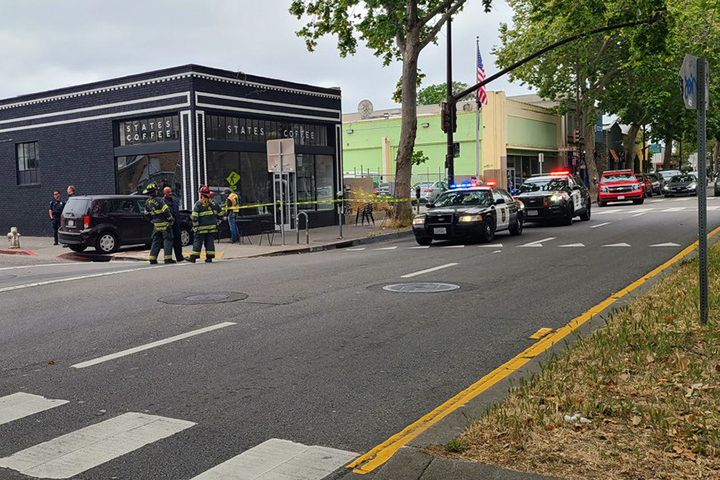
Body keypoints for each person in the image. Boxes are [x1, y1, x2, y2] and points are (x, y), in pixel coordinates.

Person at [143, 182, 175, 264]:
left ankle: (152, 258)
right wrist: (171, 219)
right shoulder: (160, 200)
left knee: (156, 241)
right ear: (155, 191)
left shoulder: (147, 202)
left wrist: (152, 220)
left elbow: (146, 214)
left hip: (156, 225)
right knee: (168, 240)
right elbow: (166, 211)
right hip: (165, 224)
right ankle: (168, 258)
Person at [187, 185, 221, 263]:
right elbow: (221, 214)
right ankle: (209, 257)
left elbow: (195, 217)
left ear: (201, 194)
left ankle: (194, 257)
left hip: (201, 228)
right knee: (209, 242)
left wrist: (195, 227)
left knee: (197, 242)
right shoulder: (214, 203)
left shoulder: (198, 204)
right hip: (212, 228)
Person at [163, 186, 184, 262]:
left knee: (178, 240)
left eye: (171, 191)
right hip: (168, 224)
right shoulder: (162, 202)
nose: (170, 193)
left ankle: (179, 257)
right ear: (164, 193)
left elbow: (177, 211)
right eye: (168, 192)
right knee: (169, 241)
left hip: (176, 223)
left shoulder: (175, 200)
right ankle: (168, 258)